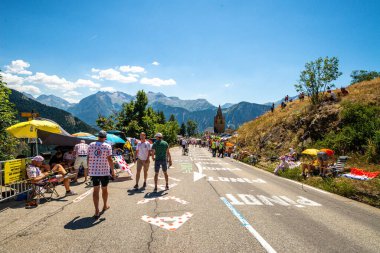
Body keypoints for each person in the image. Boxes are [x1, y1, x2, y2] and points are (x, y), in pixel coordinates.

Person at [87, 130, 116, 219]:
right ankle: (105, 205)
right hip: (104, 171)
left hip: (94, 172)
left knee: (95, 190)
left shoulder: (91, 145)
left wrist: (89, 169)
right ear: (105, 138)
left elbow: (88, 158)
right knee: (104, 189)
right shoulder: (107, 146)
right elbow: (110, 160)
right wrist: (113, 171)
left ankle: (96, 210)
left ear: (98, 136)